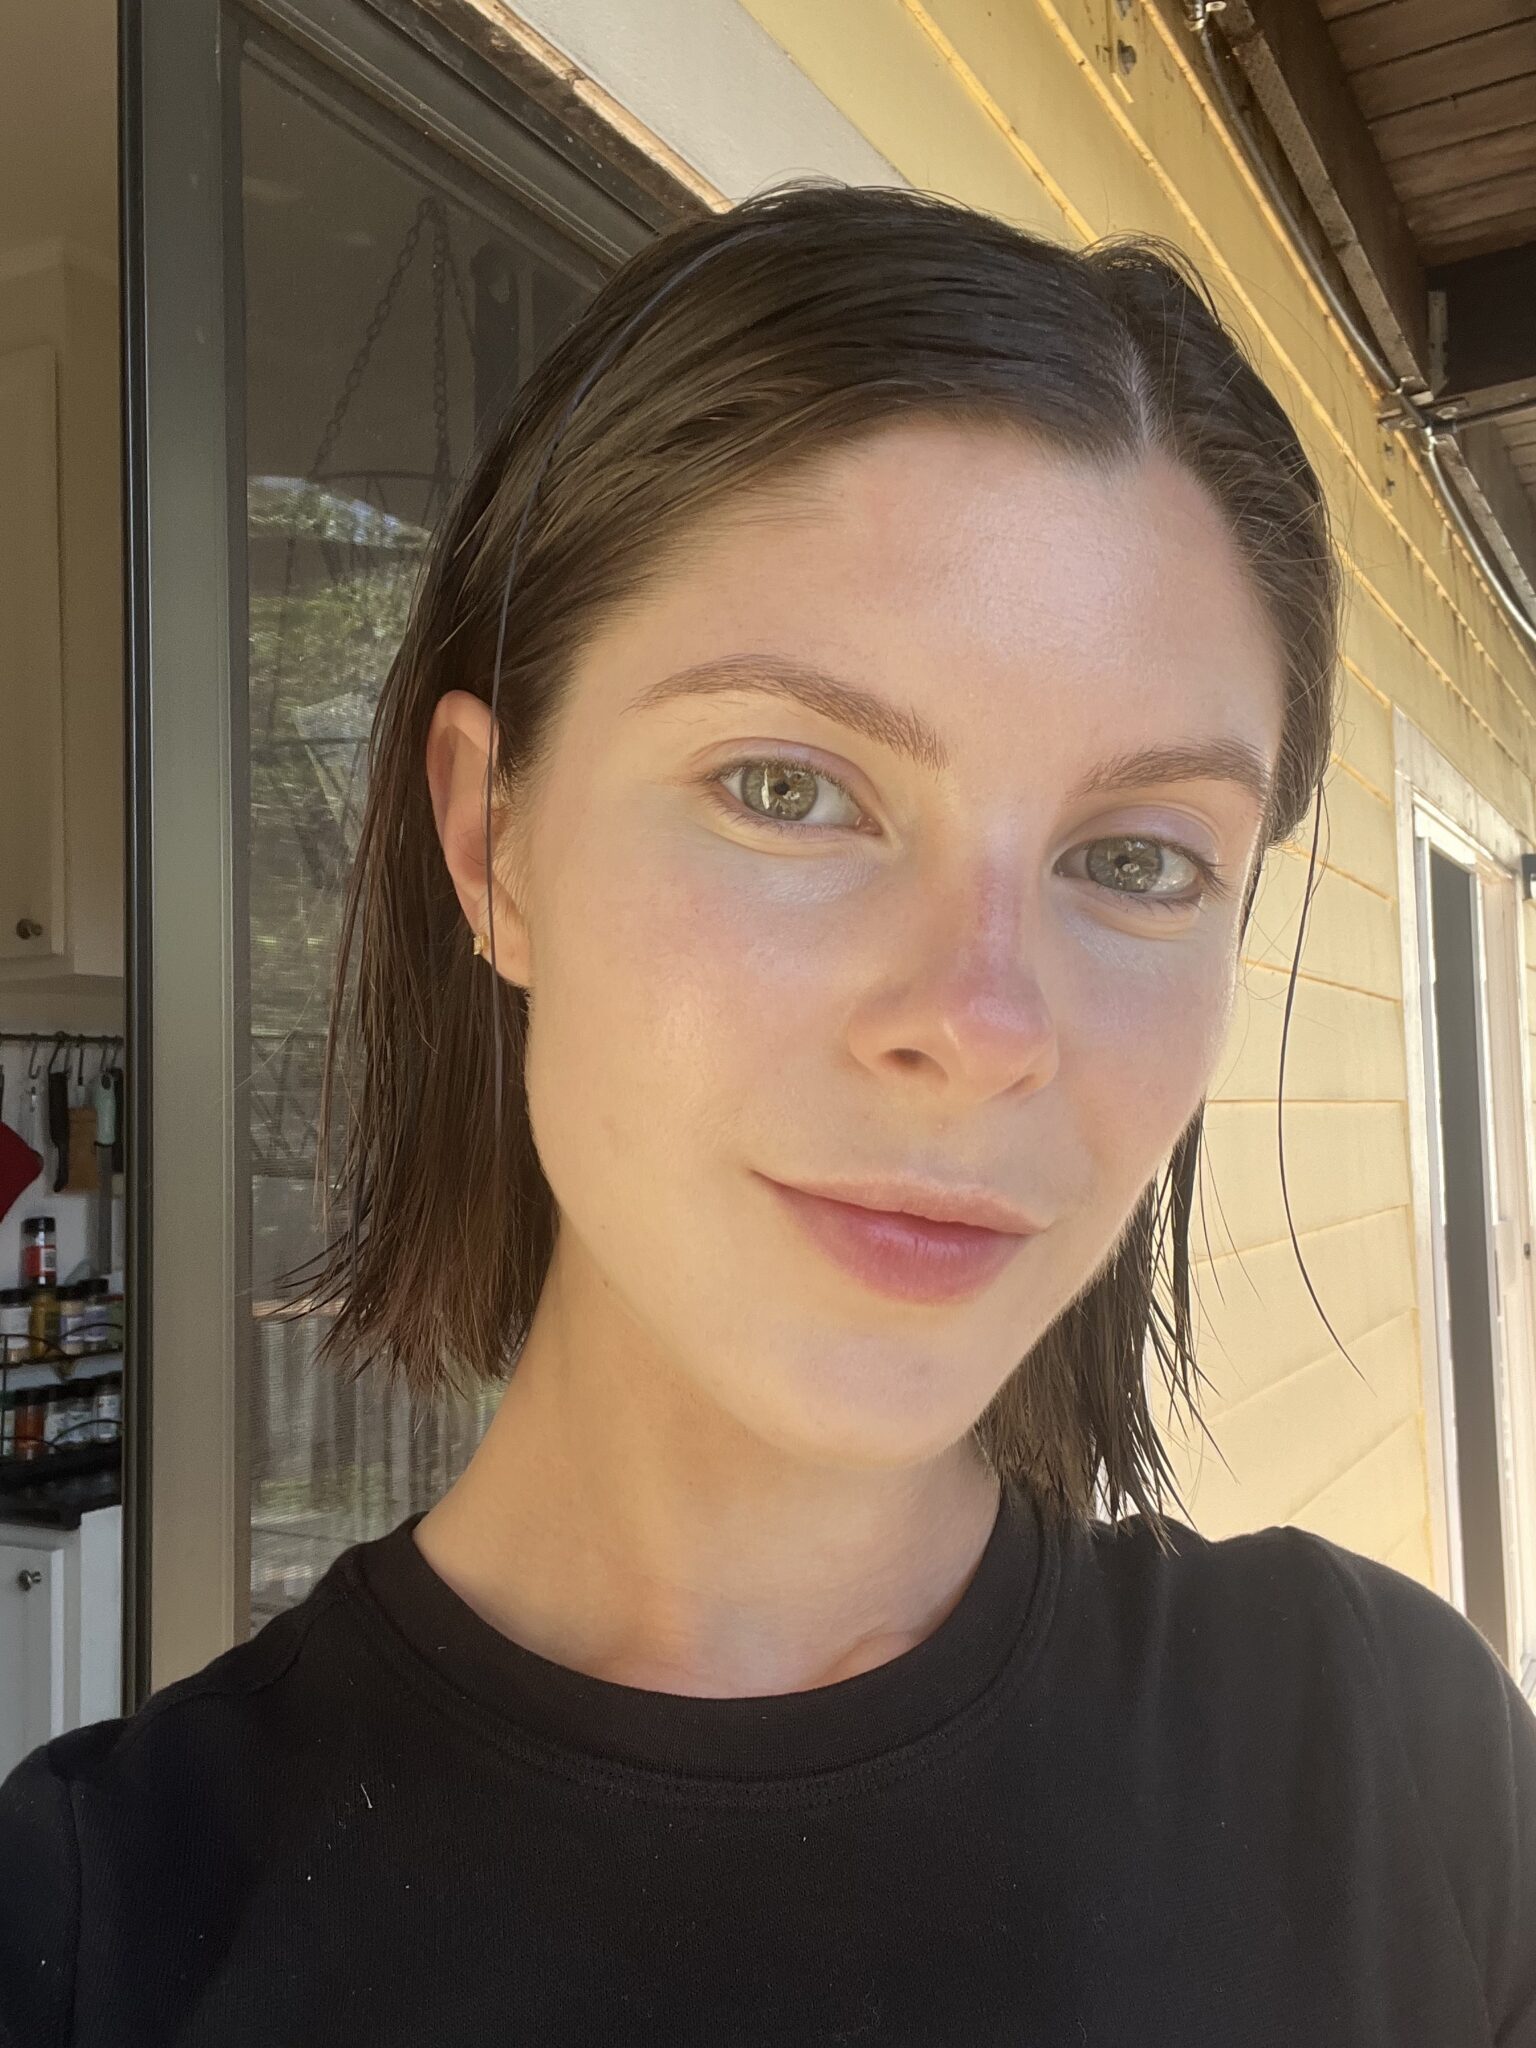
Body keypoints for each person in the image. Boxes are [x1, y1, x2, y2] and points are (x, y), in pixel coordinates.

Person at [2, 178, 1533, 2048]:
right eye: (789, 790)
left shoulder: (1397, 1761)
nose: (980, 1024)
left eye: (1135, 855)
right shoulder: (93, 1937)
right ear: (492, 843)